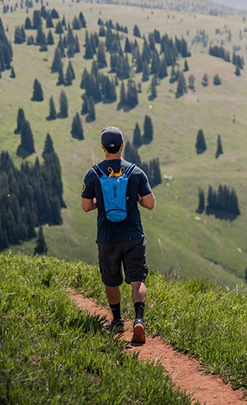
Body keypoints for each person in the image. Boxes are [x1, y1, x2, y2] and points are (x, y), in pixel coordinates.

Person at [81, 126, 156, 344]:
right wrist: (137, 200)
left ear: (103, 147)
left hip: (107, 238)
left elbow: (86, 206)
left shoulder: (93, 174)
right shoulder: (135, 172)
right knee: (137, 279)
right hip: (133, 235)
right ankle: (139, 320)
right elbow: (150, 204)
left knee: (111, 280)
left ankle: (117, 320)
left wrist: (100, 203)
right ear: (122, 146)